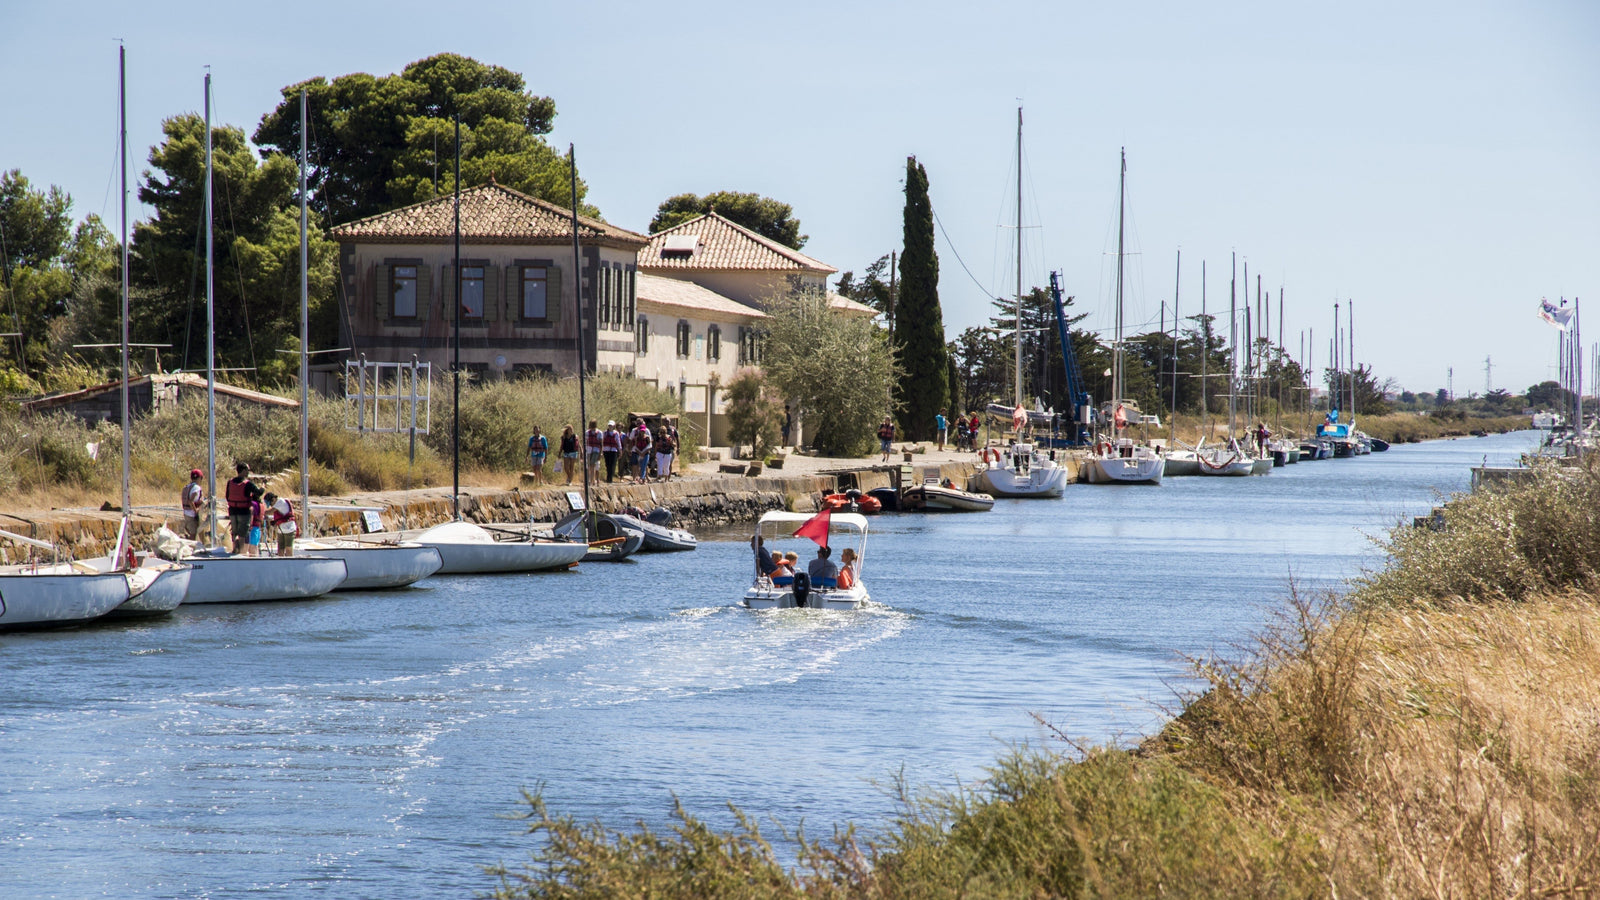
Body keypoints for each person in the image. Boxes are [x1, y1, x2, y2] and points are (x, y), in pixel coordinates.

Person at [224, 462, 254, 553]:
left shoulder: (230, 482)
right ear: (243, 471)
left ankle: (235, 549)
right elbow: (258, 493)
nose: (249, 472)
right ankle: (240, 552)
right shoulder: (247, 483)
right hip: (243, 512)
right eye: (248, 470)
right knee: (242, 534)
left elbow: (227, 496)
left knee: (234, 532)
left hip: (233, 511)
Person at [263, 491, 297, 556]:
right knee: (280, 549)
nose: (271, 505)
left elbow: (270, 511)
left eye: (271, 504)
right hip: (281, 530)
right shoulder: (278, 504)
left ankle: (289, 563)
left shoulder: (280, 501)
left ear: (273, 499)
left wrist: (260, 512)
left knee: (288, 548)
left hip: (289, 529)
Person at [180, 468, 204, 540]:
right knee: (193, 534)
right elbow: (191, 501)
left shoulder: (186, 487)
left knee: (191, 533)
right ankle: (191, 549)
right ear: (199, 478)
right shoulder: (196, 488)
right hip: (191, 514)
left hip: (186, 513)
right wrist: (196, 511)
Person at [246, 484, 265, 557]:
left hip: (252, 528)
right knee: (255, 547)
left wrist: (249, 526)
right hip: (258, 529)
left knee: (251, 548)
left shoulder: (253, 504)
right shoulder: (261, 504)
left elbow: (251, 514)